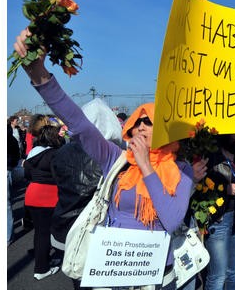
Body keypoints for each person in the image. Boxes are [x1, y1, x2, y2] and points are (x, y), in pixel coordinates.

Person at [13, 27, 197, 289]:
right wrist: (40, 76)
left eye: (149, 121)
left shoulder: (182, 169)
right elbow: (79, 123)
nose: (141, 125)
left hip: (156, 276)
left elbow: (171, 219)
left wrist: (146, 166)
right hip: (111, 272)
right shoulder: (117, 159)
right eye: (138, 121)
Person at [49, 98, 123, 290]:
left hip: (64, 230)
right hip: (97, 234)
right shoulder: (114, 155)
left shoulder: (61, 152)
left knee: (78, 280)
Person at [203, 133, 235, 290]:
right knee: (217, 276)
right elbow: (199, 187)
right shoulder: (210, 153)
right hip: (219, 219)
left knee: (234, 271)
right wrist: (224, 188)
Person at [23, 124, 66, 280]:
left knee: (40, 232)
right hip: (48, 196)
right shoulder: (55, 154)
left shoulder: (33, 153)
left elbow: (27, 174)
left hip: (32, 194)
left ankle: (42, 262)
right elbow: (59, 176)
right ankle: (42, 268)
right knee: (46, 233)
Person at [8, 121, 21, 246]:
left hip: (6, 169)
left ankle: (8, 236)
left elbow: (16, 154)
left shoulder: (10, 138)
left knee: (6, 204)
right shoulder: (11, 137)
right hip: (7, 169)